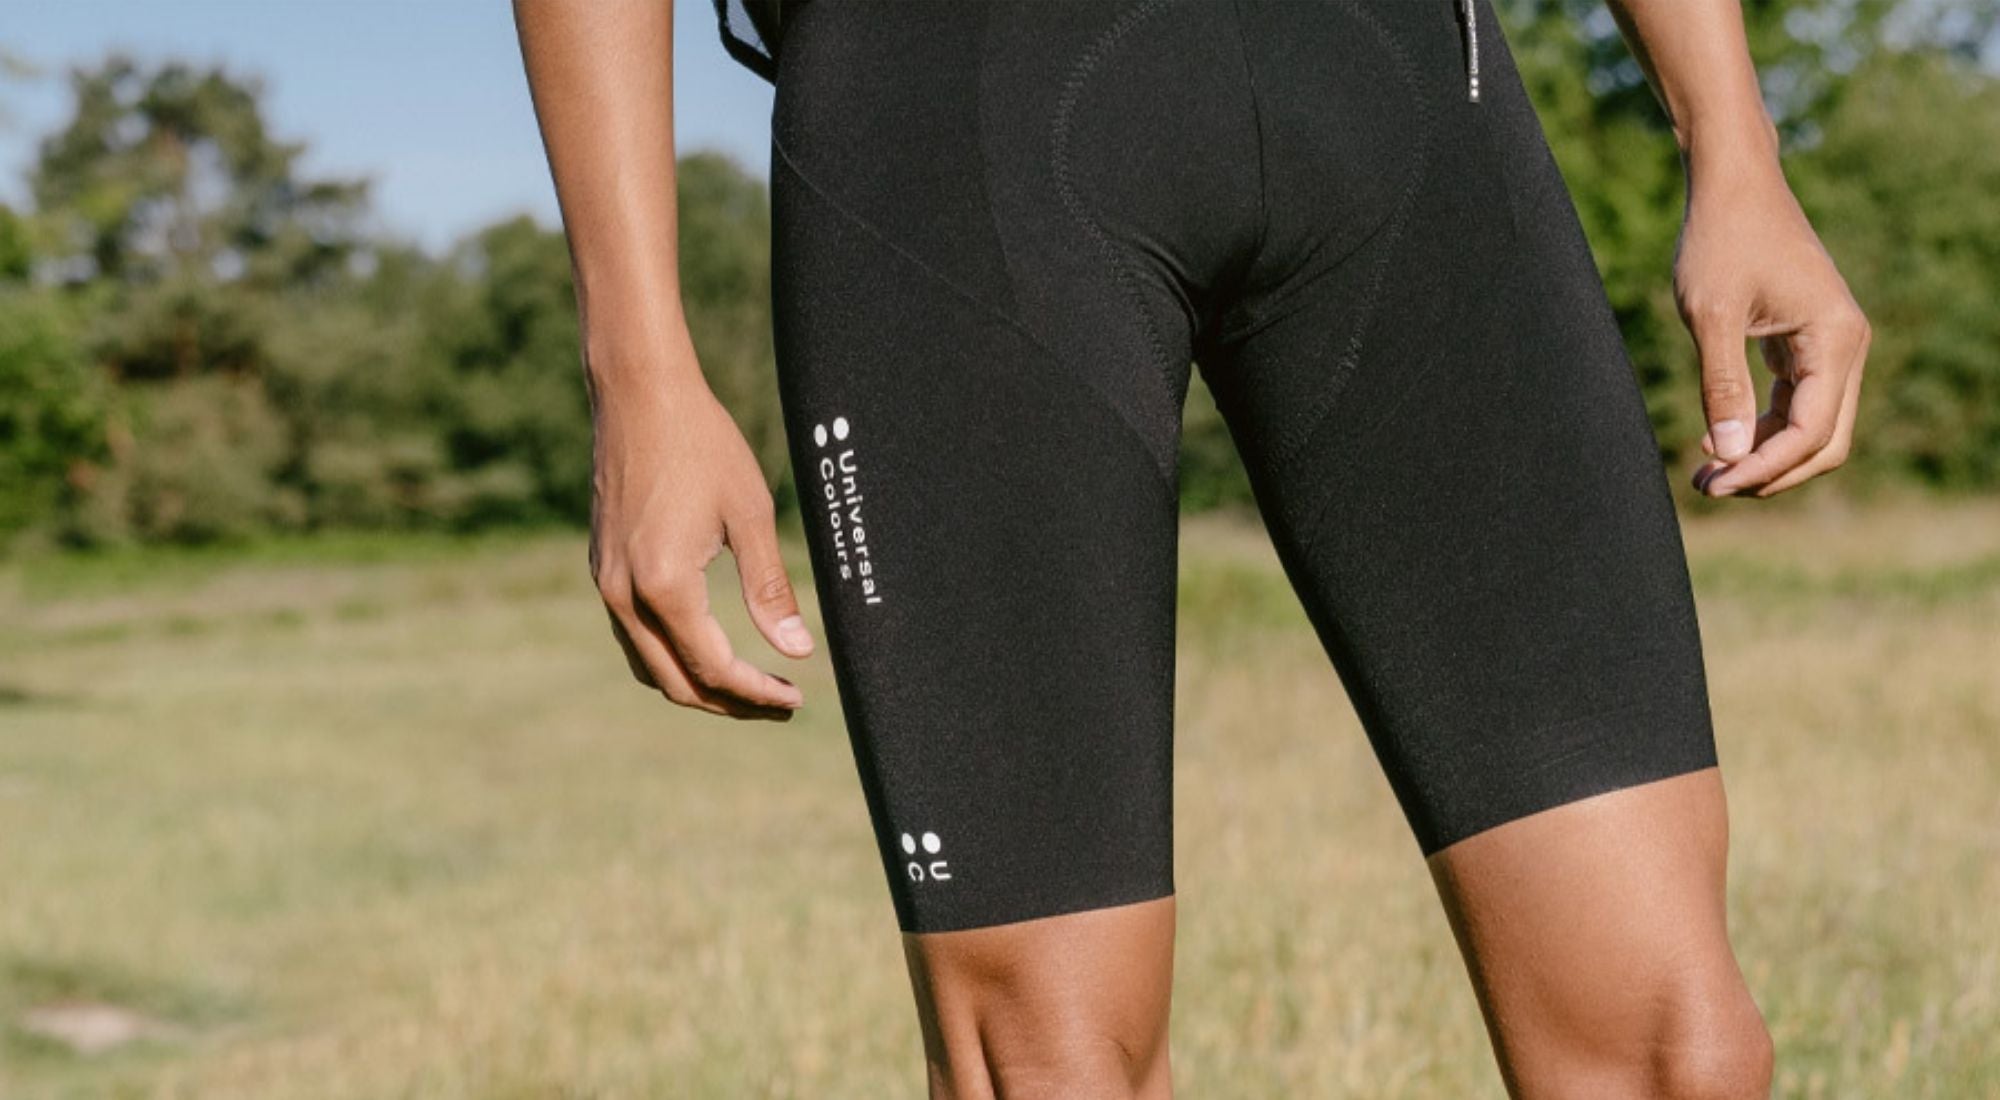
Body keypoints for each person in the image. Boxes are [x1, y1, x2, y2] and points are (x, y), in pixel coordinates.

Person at [512, 1, 1869, 1095]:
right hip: (954, 107)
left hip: (1392, 73)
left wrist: (1733, 140)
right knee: (1045, 1067)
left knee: (1681, 1058)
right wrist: (638, 366)